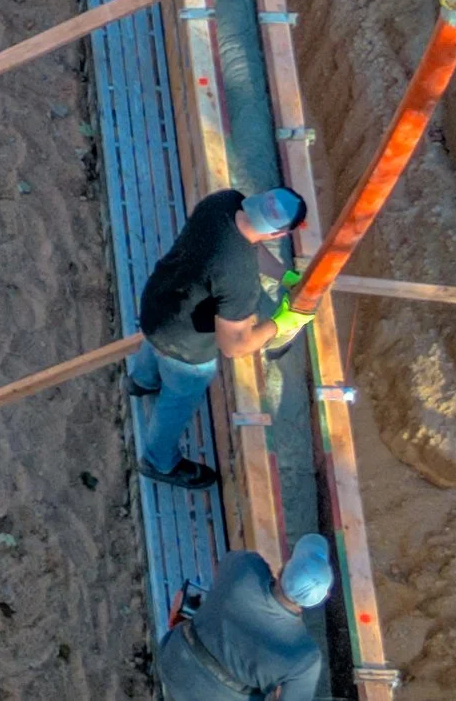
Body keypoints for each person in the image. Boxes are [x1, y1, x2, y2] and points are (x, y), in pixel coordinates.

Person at [128, 186, 306, 489]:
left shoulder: (223, 202)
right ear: (277, 235)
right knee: (178, 398)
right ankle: (159, 462)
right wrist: (281, 322)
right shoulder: (239, 279)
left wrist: (283, 275)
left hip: (158, 304)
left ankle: (141, 382)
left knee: (153, 345)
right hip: (186, 347)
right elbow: (234, 346)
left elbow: (248, 244)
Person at [155, 534, 332, 701]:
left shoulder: (246, 566)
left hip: (171, 659)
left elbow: (225, 573)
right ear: (321, 599)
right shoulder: (304, 657)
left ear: (284, 567)